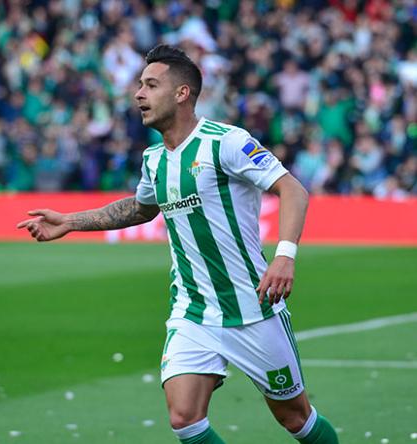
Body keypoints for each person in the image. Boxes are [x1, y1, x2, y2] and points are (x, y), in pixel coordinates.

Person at [17, 45, 338, 444]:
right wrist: (70, 221)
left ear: (182, 93)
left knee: (295, 419)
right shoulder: (154, 159)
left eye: (151, 85)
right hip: (193, 310)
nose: (138, 94)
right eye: (139, 85)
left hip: (254, 306)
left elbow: (293, 190)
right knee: (185, 417)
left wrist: (284, 257)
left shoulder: (227, 142)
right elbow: (140, 208)